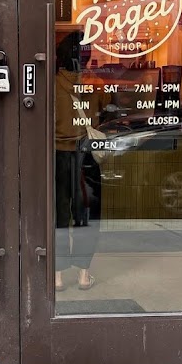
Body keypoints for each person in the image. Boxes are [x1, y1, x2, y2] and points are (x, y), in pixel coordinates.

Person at [54, 31, 106, 292]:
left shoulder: (51, 86)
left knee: (59, 215)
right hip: (84, 157)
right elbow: (103, 116)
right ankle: (84, 275)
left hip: (56, 157)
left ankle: (58, 278)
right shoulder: (92, 85)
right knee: (86, 214)